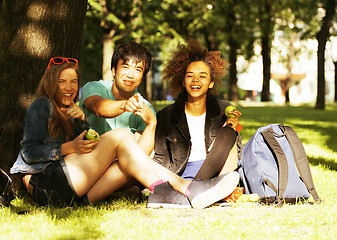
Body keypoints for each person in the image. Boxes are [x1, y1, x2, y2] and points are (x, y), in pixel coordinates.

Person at [10, 57, 239, 209]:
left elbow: (85, 156)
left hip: (76, 195)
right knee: (121, 136)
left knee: (127, 159)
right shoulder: (43, 105)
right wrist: (70, 147)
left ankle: (185, 189)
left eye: (73, 82)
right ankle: (175, 190)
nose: (69, 88)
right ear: (51, 83)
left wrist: (80, 124)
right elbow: (29, 153)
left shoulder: (72, 112)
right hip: (46, 187)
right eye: (62, 82)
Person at [153, 39, 243, 182]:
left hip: (217, 172)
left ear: (211, 83)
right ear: (183, 82)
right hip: (180, 177)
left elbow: (236, 150)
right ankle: (197, 188)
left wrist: (234, 126)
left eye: (202, 76)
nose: (196, 80)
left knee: (229, 133)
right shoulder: (166, 116)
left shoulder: (223, 109)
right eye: (190, 76)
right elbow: (160, 157)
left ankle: (205, 186)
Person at [79, 42, 156, 155]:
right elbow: (98, 107)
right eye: (125, 67)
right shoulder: (94, 87)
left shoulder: (145, 108)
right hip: (88, 161)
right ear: (114, 70)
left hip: (119, 167)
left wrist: (152, 124)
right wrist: (125, 105)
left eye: (138, 70)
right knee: (121, 135)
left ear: (142, 77)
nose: (130, 75)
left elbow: (140, 156)